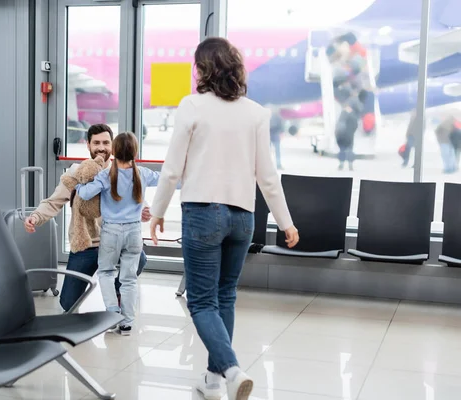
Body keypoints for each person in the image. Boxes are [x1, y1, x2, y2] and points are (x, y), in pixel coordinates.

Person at [149, 37, 299, 400]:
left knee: (201, 302)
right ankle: (213, 381)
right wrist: (286, 222)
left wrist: (157, 212)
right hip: (243, 218)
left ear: (203, 69)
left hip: (203, 213)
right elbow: (268, 177)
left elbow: (171, 171)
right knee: (225, 297)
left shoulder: (192, 106)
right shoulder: (256, 113)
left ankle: (231, 371)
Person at [24, 124, 149, 312]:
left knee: (140, 258)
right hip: (86, 246)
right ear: (88, 146)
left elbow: (138, 202)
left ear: (113, 147)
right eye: (96, 143)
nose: (101, 147)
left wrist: (144, 211)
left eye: (106, 143)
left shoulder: (123, 173)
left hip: (116, 242)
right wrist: (35, 217)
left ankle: (117, 291)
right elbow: (53, 202)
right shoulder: (75, 174)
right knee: (68, 304)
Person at [75, 132, 161, 336]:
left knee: (106, 272)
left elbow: (86, 193)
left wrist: (78, 185)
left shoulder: (106, 175)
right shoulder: (143, 173)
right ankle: (127, 323)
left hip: (111, 232)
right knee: (129, 278)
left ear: (113, 151)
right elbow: (171, 180)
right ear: (135, 151)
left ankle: (113, 313)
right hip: (134, 232)